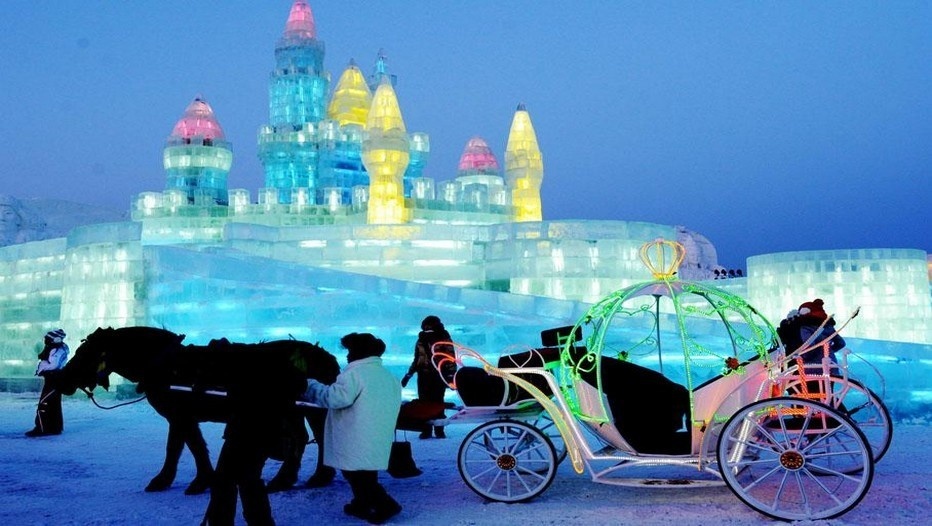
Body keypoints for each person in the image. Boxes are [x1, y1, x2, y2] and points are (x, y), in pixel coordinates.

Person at [202, 344, 308, 526]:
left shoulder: (244, 373)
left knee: (224, 480)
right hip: (267, 434)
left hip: (242, 433)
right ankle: (260, 521)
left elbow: (233, 399)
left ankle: (221, 521)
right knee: (249, 480)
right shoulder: (285, 375)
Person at [303, 333, 402, 525]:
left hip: (355, 435)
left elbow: (335, 398)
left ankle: (386, 505)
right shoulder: (388, 376)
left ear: (359, 352)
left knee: (356, 475)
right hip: (375, 434)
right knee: (366, 472)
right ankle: (360, 503)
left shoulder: (354, 375)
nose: (347, 356)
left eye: (350, 351)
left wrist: (311, 385)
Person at [401, 315, 452, 439]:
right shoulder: (421, 339)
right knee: (424, 403)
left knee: (438, 403)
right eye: (425, 327)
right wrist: (409, 374)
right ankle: (426, 429)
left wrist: (450, 376)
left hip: (439, 375)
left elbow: (450, 357)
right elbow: (417, 359)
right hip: (423, 375)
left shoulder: (444, 338)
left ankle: (439, 429)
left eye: (429, 326)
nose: (427, 329)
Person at [26, 329, 69, 437]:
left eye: (48, 338)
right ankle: (54, 428)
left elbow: (54, 365)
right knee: (53, 404)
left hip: (54, 379)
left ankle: (41, 428)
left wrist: (42, 366)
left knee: (44, 403)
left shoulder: (57, 350)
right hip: (53, 378)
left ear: (55, 339)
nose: (46, 340)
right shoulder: (55, 348)